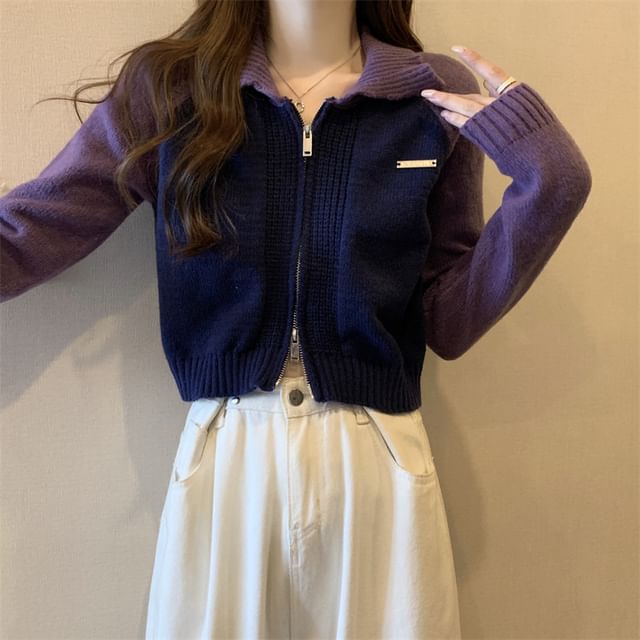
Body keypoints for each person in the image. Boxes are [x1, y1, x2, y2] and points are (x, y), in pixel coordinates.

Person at [0, 0, 592, 638]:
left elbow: (448, 322)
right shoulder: (172, 87)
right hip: (228, 453)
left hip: (378, 459)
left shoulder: (429, 92)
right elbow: (32, 230)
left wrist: (551, 180)